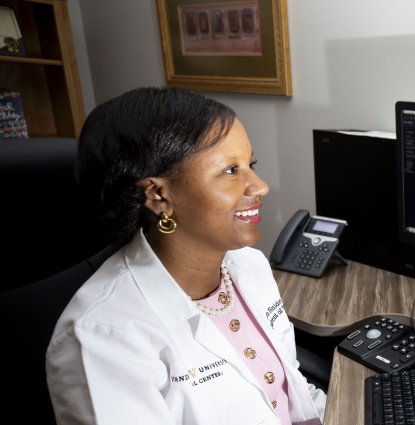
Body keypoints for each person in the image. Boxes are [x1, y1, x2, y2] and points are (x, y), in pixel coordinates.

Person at [45, 87, 326, 425]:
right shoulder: (103, 336)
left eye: (250, 164)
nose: (260, 186)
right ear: (158, 196)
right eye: (231, 170)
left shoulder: (250, 265)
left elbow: (292, 392)